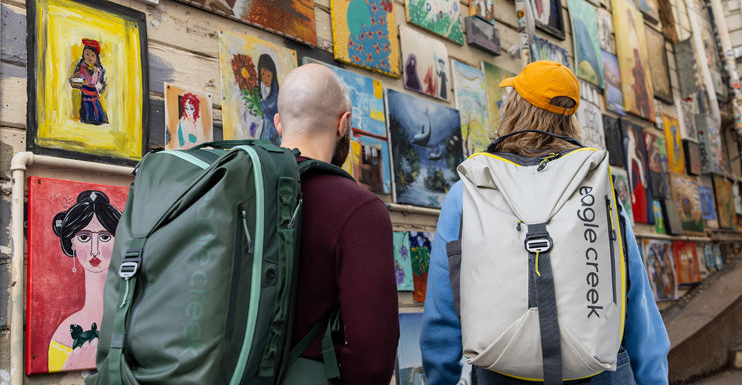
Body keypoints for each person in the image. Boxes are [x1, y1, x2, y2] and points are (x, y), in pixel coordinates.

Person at [420, 61, 670, 384]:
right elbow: (637, 308)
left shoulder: (467, 193)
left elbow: (442, 316)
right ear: (570, 120)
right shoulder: (598, 192)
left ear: (514, 108)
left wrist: (441, 378)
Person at [270, 63, 400, 383]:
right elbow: (372, 357)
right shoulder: (359, 209)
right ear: (344, 123)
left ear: (277, 123)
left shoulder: (235, 187)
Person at [49, 190, 122, 372]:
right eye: (84, 237)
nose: (94, 250)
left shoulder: (136, 318)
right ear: (72, 243)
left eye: (105, 237)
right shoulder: (63, 336)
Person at [70, 39, 107, 125]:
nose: (89, 57)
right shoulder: (81, 68)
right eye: (87, 54)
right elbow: (75, 81)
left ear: (96, 58)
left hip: (94, 99)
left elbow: (98, 83)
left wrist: (97, 83)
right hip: (85, 98)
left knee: (97, 119)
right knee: (86, 118)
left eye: (92, 55)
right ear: (83, 54)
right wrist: (77, 77)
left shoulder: (98, 70)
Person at [257, 54, 282, 145]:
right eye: (263, 74)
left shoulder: (277, 94)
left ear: (273, 74)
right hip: (265, 130)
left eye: (268, 75)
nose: (265, 79)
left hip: (275, 132)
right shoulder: (258, 91)